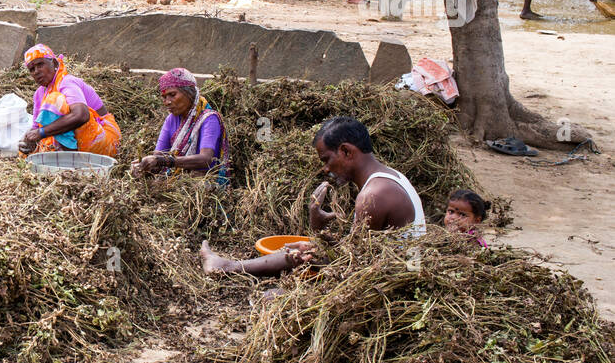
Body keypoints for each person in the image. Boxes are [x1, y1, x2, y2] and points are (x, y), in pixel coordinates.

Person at [200, 116, 425, 275]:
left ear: (346, 151)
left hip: (393, 280)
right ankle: (227, 266)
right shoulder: (389, 176)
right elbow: (360, 251)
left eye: (326, 159)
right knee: (303, 250)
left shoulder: (373, 195)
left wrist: (316, 230)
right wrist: (318, 237)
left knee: (285, 282)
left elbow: (350, 265)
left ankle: (227, 267)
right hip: (393, 268)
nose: (326, 169)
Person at [17, 44, 120, 156]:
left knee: (54, 101)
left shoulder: (67, 82)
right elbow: (36, 128)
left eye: (40, 64)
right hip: (82, 142)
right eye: (32, 69)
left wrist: (41, 133)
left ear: (55, 63)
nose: (36, 71)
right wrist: (28, 139)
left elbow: (81, 115)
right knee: (26, 152)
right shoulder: (39, 94)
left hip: (104, 139)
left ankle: (69, 160)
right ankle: (67, 158)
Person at [131, 67, 228, 181]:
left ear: (189, 93)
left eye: (172, 94)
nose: (167, 102)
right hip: (176, 182)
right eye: (164, 97)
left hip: (205, 186)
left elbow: (205, 159)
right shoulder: (171, 120)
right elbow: (158, 157)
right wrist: (145, 166)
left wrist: (162, 161)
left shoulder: (209, 119)